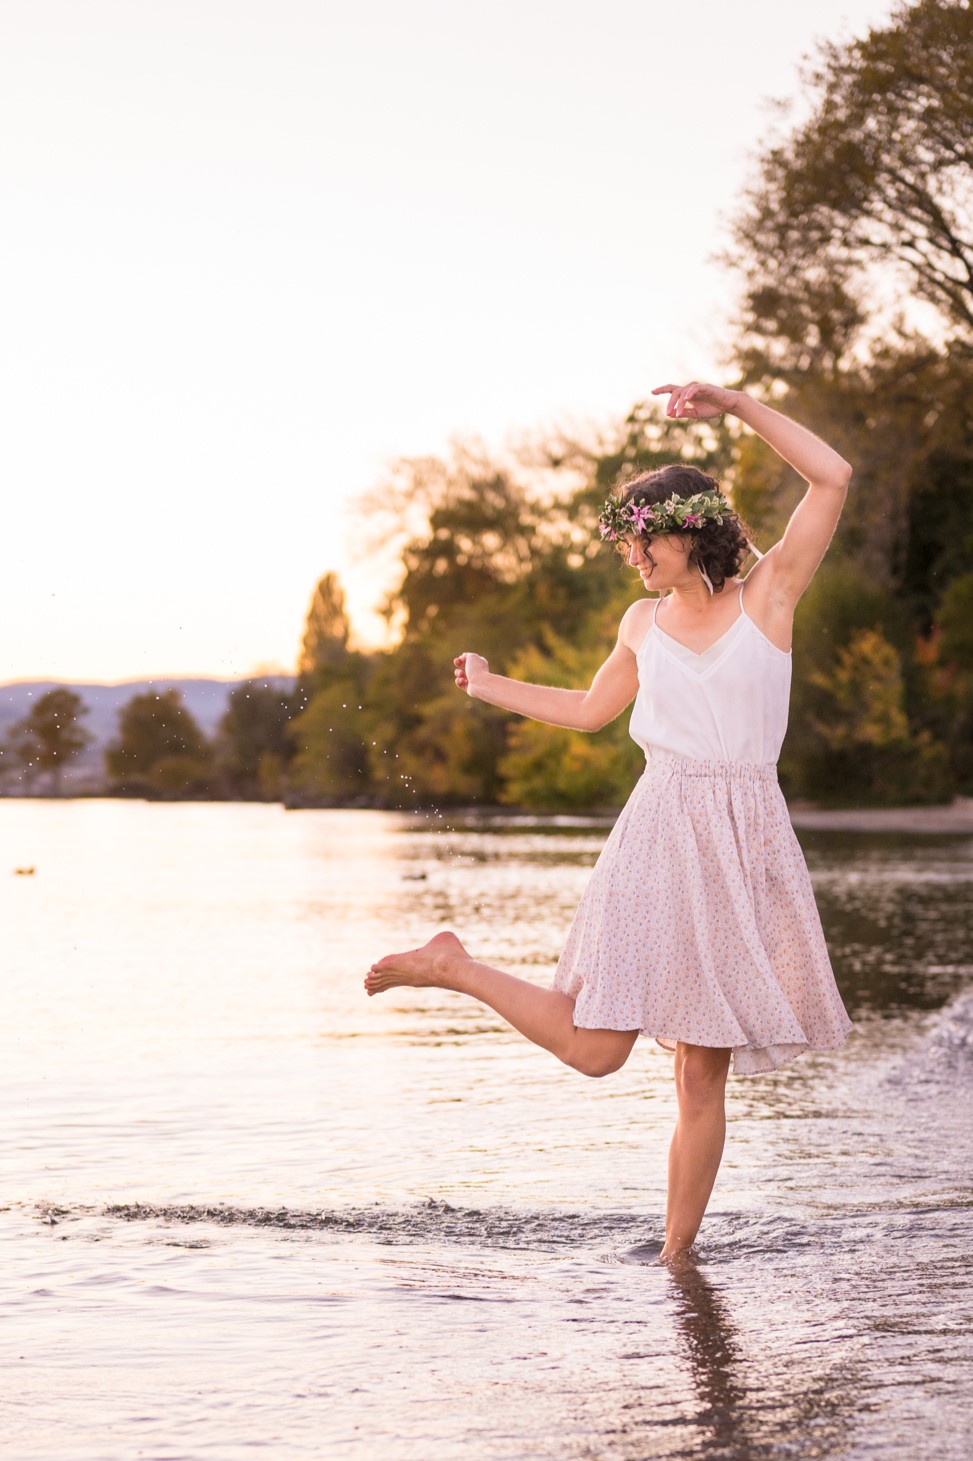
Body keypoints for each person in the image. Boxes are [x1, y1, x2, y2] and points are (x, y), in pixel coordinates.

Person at [365, 380, 855, 1263]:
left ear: (689, 527)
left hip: (744, 838)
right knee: (596, 1051)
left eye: (641, 537)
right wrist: (489, 684)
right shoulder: (642, 620)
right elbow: (593, 710)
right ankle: (456, 965)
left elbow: (831, 477)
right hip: (658, 835)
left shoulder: (769, 597)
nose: (632, 554)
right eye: (626, 540)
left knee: (702, 1075)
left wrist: (738, 406)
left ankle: (676, 1259)